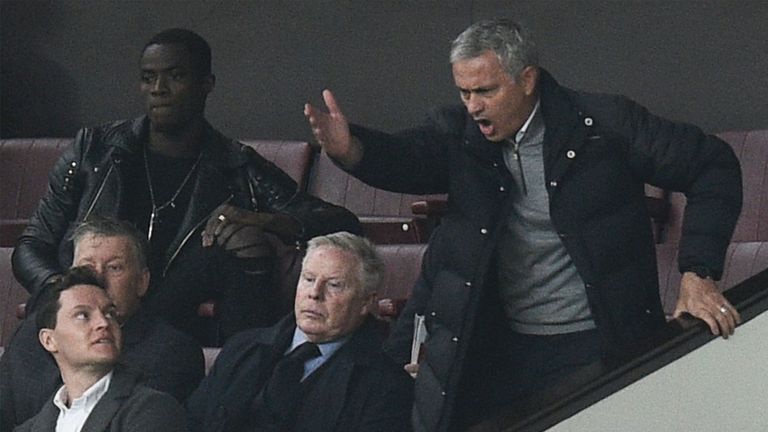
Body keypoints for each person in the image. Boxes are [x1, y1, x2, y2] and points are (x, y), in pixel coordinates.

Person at [304, 18, 743, 431]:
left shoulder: (604, 125)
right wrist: (352, 150)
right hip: (498, 346)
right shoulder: (461, 135)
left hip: (596, 344)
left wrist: (698, 272)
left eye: (485, 91)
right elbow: (408, 158)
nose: (473, 107)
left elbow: (712, 166)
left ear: (528, 79)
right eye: (463, 92)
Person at [12, 28, 360, 344]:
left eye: (174, 76)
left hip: (166, 321)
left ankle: (244, 380)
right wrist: (62, 292)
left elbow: (340, 223)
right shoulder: (94, 150)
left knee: (243, 245)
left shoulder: (237, 165)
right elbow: (31, 246)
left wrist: (265, 221)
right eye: (149, 78)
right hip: (84, 309)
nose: (158, 90)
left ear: (206, 83)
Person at [185, 232, 413, 432]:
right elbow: (192, 423)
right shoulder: (241, 348)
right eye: (309, 279)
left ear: (366, 302)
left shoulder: (388, 388)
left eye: (334, 285)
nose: (314, 293)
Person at [0, 217, 205, 429]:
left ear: (142, 282)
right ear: (48, 340)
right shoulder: (30, 335)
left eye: (114, 267)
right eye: (87, 267)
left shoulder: (172, 352)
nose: (98, 278)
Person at [13, 266, 186, 432]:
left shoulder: (152, 409)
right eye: (83, 315)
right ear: (49, 340)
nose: (103, 323)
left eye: (110, 313)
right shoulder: (29, 428)